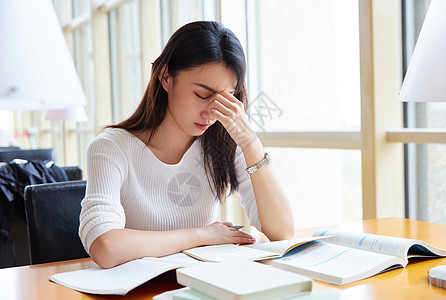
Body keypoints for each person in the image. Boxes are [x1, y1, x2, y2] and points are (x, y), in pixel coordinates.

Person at [79, 21, 294, 269]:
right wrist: (202, 235)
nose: (212, 112)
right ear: (166, 77)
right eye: (202, 95)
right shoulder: (111, 148)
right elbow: (105, 247)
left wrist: (249, 141)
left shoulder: (224, 146)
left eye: (227, 99)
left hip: (201, 285)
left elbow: (282, 232)